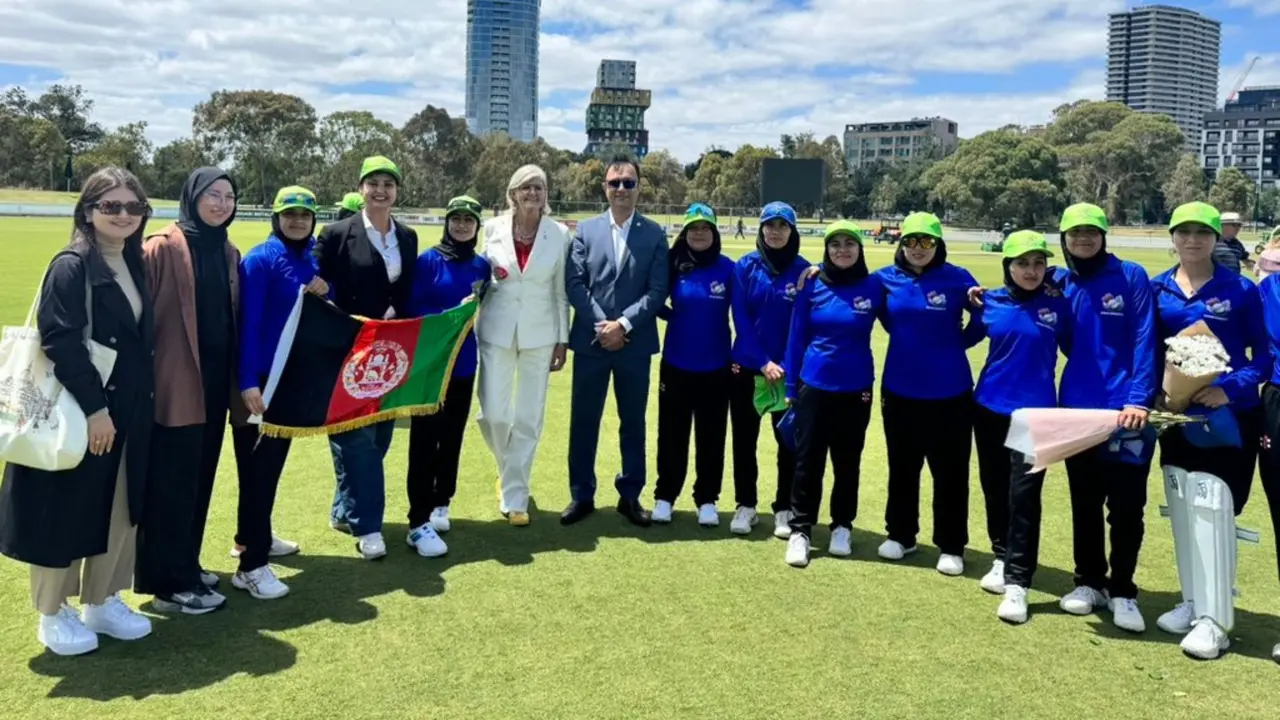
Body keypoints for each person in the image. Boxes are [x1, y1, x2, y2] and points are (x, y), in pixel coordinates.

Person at [0, 167, 155, 655]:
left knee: (117, 507)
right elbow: (61, 340)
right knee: (62, 505)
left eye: (134, 207)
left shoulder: (133, 262)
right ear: (88, 211)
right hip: (81, 410)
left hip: (127, 408)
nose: (124, 215)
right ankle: (52, 612)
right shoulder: (71, 265)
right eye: (111, 206)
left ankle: (101, 599)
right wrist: (95, 409)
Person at [1151, 201, 1269, 659]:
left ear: (1217, 237)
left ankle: (1216, 621)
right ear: (1173, 237)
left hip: (1227, 417)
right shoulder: (1159, 287)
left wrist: (1228, 389)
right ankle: (1192, 601)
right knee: (1182, 502)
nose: (1193, 240)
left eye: (1203, 232)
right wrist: (1162, 394)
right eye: (1185, 232)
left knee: (1215, 508)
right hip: (1178, 417)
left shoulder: (1240, 289)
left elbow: (1262, 357)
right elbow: (1148, 350)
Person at [135, 167, 246, 615]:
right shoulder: (160, 248)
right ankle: (168, 585)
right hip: (174, 388)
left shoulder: (228, 251)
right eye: (213, 195)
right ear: (193, 197)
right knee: (172, 485)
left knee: (199, 480)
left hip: (215, 387)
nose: (222, 203)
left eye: (229, 196)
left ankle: (186, 563)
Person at [1047, 203, 1156, 633]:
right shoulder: (1060, 281)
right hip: (1077, 408)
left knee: (1127, 506)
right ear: (1064, 239)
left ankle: (1123, 589)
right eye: (1074, 234)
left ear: (1103, 235)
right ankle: (1088, 581)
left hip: (1126, 412)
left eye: (1091, 232)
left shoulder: (1131, 276)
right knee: (1085, 501)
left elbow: (1147, 339)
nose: (1083, 240)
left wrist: (1137, 399)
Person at [314, 156, 418, 559]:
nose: (380, 190)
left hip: (391, 353)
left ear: (396, 191)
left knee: (380, 436)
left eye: (388, 184)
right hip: (348, 352)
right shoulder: (337, 233)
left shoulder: (407, 237)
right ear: (360, 189)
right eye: (372, 183)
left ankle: (344, 509)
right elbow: (316, 286)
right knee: (356, 440)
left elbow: (406, 293)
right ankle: (368, 525)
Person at [969, 232, 1074, 624]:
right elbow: (962, 337)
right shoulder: (990, 302)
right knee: (995, 489)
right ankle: (1001, 556)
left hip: (1037, 415)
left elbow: (1077, 349)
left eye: (1038, 263)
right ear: (1007, 267)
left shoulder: (1057, 304)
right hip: (989, 408)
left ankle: (1018, 583)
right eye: (1022, 264)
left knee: (1025, 497)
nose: (1031, 271)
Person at [229, 186, 327, 600]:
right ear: (276, 218)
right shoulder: (260, 260)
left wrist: (327, 291)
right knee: (257, 473)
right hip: (259, 384)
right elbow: (247, 325)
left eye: (305, 215)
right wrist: (247, 381)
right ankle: (249, 567)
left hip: (287, 380)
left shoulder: (309, 259)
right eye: (290, 215)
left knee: (269, 469)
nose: (298, 221)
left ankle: (255, 537)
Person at [874, 212, 984, 576]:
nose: (918, 249)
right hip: (899, 390)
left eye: (926, 242)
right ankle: (901, 535)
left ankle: (952, 545)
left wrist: (957, 343)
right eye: (911, 241)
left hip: (950, 392)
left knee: (950, 472)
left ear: (937, 245)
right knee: (902, 467)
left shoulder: (957, 279)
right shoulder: (885, 280)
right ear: (901, 243)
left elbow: (983, 319)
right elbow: (864, 302)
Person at [563, 155, 669, 527]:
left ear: (640, 187)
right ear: (604, 188)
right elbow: (575, 283)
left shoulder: (655, 234)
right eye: (615, 183)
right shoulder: (586, 230)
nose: (621, 189)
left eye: (628, 183)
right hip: (591, 343)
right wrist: (602, 325)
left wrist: (622, 325)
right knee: (584, 420)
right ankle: (581, 493)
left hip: (634, 345)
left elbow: (657, 291)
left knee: (633, 421)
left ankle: (630, 495)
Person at [782, 220, 883, 568]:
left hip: (857, 388)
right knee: (808, 460)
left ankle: (842, 526)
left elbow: (910, 309)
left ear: (860, 249)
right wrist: (792, 387)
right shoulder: (811, 284)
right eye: (835, 244)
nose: (842, 249)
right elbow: (796, 337)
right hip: (814, 385)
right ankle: (800, 530)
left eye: (849, 244)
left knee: (847, 460)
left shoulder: (874, 286)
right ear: (826, 249)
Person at [475, 168, 570, 527]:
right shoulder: (492, 228)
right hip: (495, 330)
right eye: (526, 187)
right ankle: (506, 469)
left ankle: (516, 496)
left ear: (546, 195)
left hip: (541, 334)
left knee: (529, 417)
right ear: (512, 193)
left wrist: (562, 339)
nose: (533, 193)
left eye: (539, 188)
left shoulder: (559, 234)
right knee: (494, 415)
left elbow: (560, 291)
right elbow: (480, 279)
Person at [404, 195, 489, 549]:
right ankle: (418, 514)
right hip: (431, 366)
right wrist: (449, 314)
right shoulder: (427, 261)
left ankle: (443, 501)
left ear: (476, 227)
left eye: (468, 221)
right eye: (455, 219)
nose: (461, 226)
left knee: (452, 436)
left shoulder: (482, 266)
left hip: (465, 363)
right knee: (424, 439)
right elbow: (414, 308)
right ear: (447, 223)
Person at [727, 202, 811, 537]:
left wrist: (786, 366)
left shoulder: (805, 271)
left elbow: (802, 326)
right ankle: (746, 505)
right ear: (760, 229)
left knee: (787, 443)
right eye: (769, 225)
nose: (775, 231)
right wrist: (763, 361)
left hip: (788, 376)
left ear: (792, 231)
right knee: (744, 442)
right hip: (748, 369)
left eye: (783, 226)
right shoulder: (745, 267)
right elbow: (741, 321)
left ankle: (783, 508)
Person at [651, 203, 735, 526]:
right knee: (671, 433)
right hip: (676, 363)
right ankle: (665, 496)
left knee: (711, 435)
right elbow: (654, 297)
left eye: (705, 228)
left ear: (714, 233)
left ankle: (707, 500)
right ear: (684, 233)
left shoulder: (728, 269)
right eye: (693, 229)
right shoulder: (673, 264)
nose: (699, 233)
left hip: (716, 366)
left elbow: (746, 305)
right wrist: (673, 315)